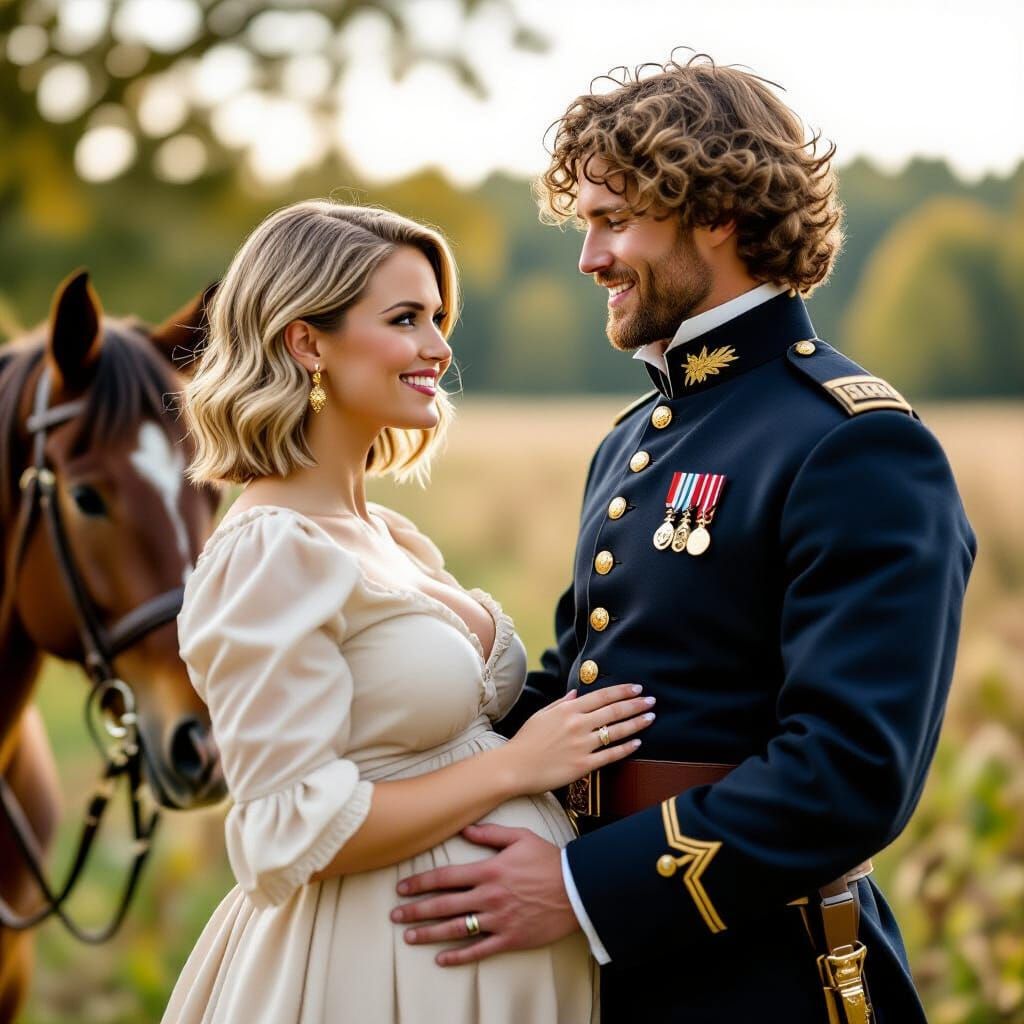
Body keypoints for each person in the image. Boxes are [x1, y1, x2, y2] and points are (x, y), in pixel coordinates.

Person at [392, 55, 977, 1023]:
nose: (589, 258)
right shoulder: (634, 436)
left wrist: (581, 890)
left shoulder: (855, 441)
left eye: (613, 221)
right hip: (611, 977)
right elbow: (578, 689)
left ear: (718, 213)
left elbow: (846, 773)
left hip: (764, 979)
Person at [160, 200, 657, 1023]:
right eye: (405, 319)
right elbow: (287, 830)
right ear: (306, 340)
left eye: (437, 317)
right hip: (373, 969)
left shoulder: (384, 534)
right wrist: (515, 768)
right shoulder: (269, 554)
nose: (438, 346)